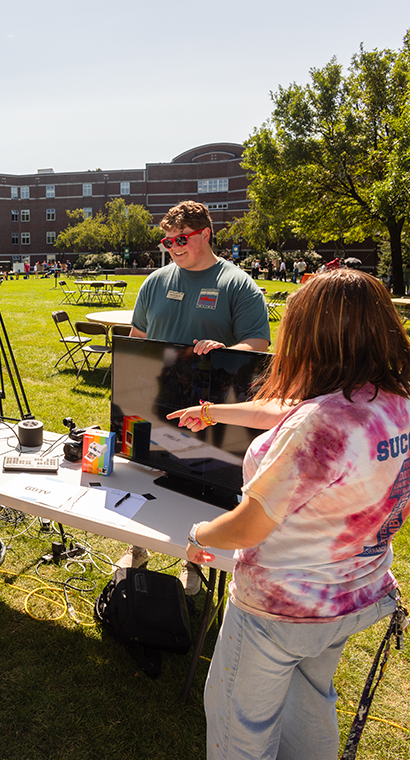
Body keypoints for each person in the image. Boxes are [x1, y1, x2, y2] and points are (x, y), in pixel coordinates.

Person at [167, 268, 410, 760]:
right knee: (311, 706)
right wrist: (214, 412)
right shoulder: (393, 403)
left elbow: (250, 524)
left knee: (241, 730)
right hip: (351, 594)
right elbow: (290, 410)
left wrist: (199, 534)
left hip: (277, 610)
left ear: (314, 335)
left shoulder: (320, 425)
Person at [118, 200, 271, 595]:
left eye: (181, 239)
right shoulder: (155, 282)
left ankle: (195, 561)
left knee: (206, 479)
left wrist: (226, 348)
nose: (173, 247)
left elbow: (258, 344)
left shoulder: (237, 284)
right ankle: (138, 547)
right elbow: (138, 340)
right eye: (167, 241)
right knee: (144, 471)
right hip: (155, 398)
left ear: (205, 233)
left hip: (211, 408)